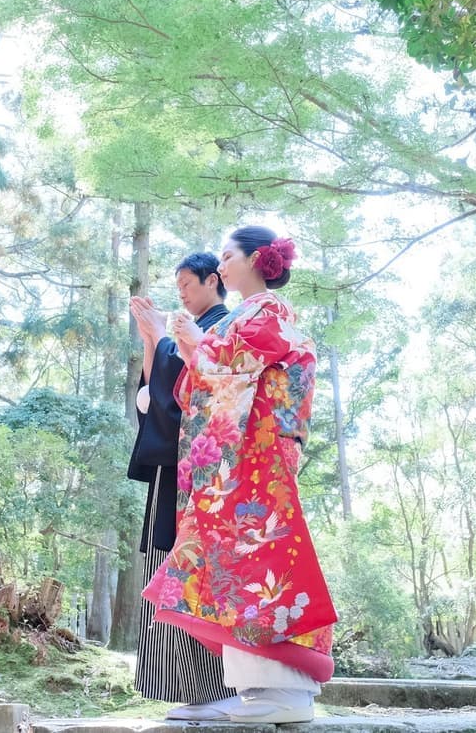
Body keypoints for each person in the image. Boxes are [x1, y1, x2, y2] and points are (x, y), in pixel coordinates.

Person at [143, 225, 336, 724]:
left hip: (260, 452)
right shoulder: (252, 313)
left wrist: (194, 347)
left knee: (259, 558)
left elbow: (235, 365)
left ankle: (285, 691)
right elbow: (206, 380)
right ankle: (260, 689)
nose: (222, 265)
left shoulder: (270, 310)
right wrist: (191, 350)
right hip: (244, 456)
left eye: (228, 256)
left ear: (256, 259)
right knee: (234, 562)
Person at [126, 252, 238, 720]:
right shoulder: (187, 332)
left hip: (202, 469)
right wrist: (153, 340)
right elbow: (156, 397)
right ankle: (192, 689)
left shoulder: (222, 328)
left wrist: (161, 339)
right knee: (166, 562)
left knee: (191, 567)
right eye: (178, 288)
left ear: (214, 281)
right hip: (175, 465)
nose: (182, 295)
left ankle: (217, 686)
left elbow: (189, 396)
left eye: (188, 285)